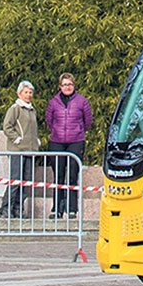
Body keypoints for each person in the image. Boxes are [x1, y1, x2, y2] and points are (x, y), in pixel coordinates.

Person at [45, 73, 93, 219]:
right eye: (65, 85)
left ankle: (72, 209)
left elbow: (88, 121)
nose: (67, 87)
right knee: (58, 176)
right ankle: (57, 209)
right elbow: (49, 120)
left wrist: (77, 132)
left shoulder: (82, 101)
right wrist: (57, 132)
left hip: (75, 141)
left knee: (72, 175)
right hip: (57, 141)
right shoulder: (53, 103)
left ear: (74, 85)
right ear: (60, 86)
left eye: (70, 84)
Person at [0, 81, 39, 218]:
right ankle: (6, 208)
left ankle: (18, 208)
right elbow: (7, 126)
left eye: (30, 92)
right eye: (26, 92)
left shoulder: (32, 110)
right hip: (17, 149)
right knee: (15, 180)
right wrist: (16, 138)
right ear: (19, 93)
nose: (28, 95)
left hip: (30, 149)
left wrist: (36, 140)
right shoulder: (15, 108)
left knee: (26, 181)